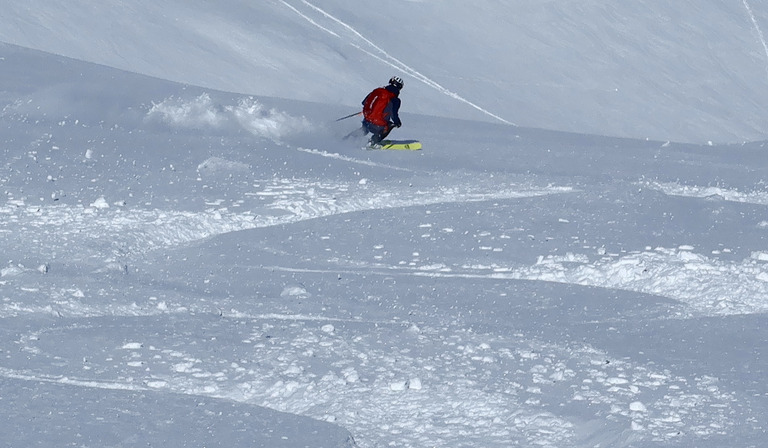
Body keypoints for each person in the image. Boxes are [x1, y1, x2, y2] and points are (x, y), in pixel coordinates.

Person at [360, 76, 404, 146]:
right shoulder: (395, 99)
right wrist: (397, 122)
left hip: (367, 120)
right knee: (390, 125)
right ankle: (374, 141)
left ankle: (349, 138)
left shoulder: (378, 91)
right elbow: (393, 113)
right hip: (378, 125)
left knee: (364, 130)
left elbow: (364, 102)